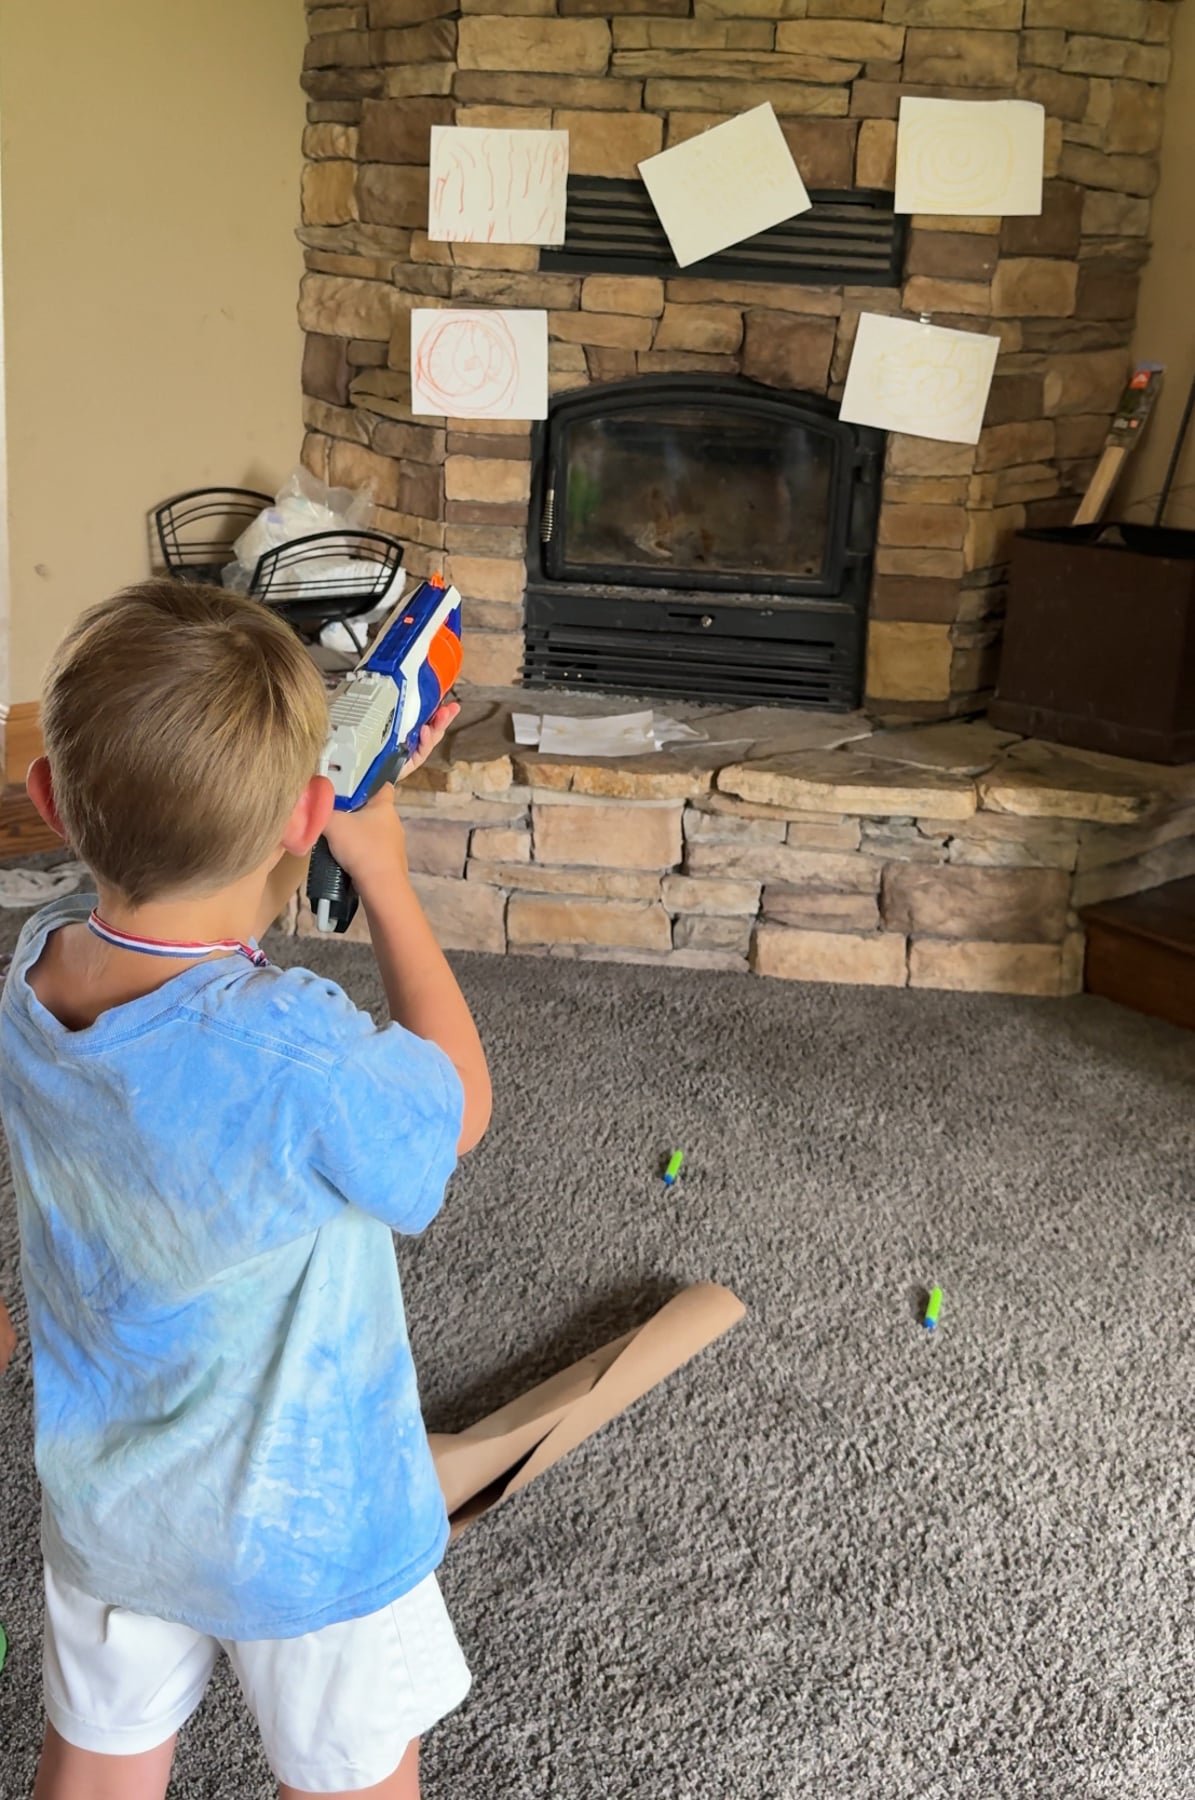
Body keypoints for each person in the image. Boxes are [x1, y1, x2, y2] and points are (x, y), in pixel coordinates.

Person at [0, 580, 491, 1800]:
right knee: (352, 1777)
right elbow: (456, 1113)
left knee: (97, 1764)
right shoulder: (306, 1055)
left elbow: (192, 962)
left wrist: (311, 815)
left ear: (51, 801)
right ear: (304, 816)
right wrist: (379, 871)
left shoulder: (32, 972)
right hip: (305, 1533)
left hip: (113, 1506)